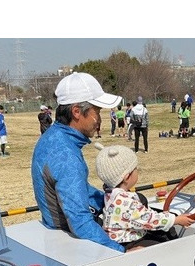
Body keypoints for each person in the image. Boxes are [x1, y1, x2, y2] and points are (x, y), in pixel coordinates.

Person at [30, 71, 125, 252]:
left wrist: (109, 199)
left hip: (56, 225)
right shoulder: (66, 155)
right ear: (76, 112)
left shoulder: (54, 137)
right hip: (65, 233)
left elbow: (77, 188)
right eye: (96, 111)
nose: (99, 119)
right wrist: (121, 251)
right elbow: (80, 222)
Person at [95, 144, 194, 250]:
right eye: (135, 169)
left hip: (127, 234)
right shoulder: (125, 203)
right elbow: (150, 220)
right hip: (128, 241)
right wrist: (176, 219)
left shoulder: (110, 192)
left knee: (162, 231)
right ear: (127, 177)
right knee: (165, 246)